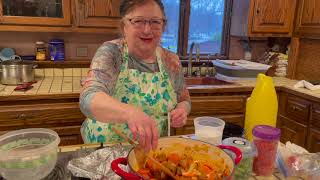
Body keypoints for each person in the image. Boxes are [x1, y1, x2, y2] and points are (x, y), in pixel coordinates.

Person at [79, 0, 191, 152]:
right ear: (124, 26)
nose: (147, 30)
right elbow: (88, 98)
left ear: (163, 25)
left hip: (154, 152)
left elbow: (184, 99)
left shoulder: (171, 60)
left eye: (155, 22)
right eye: (138, 21)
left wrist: (182, 111)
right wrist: (130, 113)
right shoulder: (112, 52)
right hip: (107, 152)